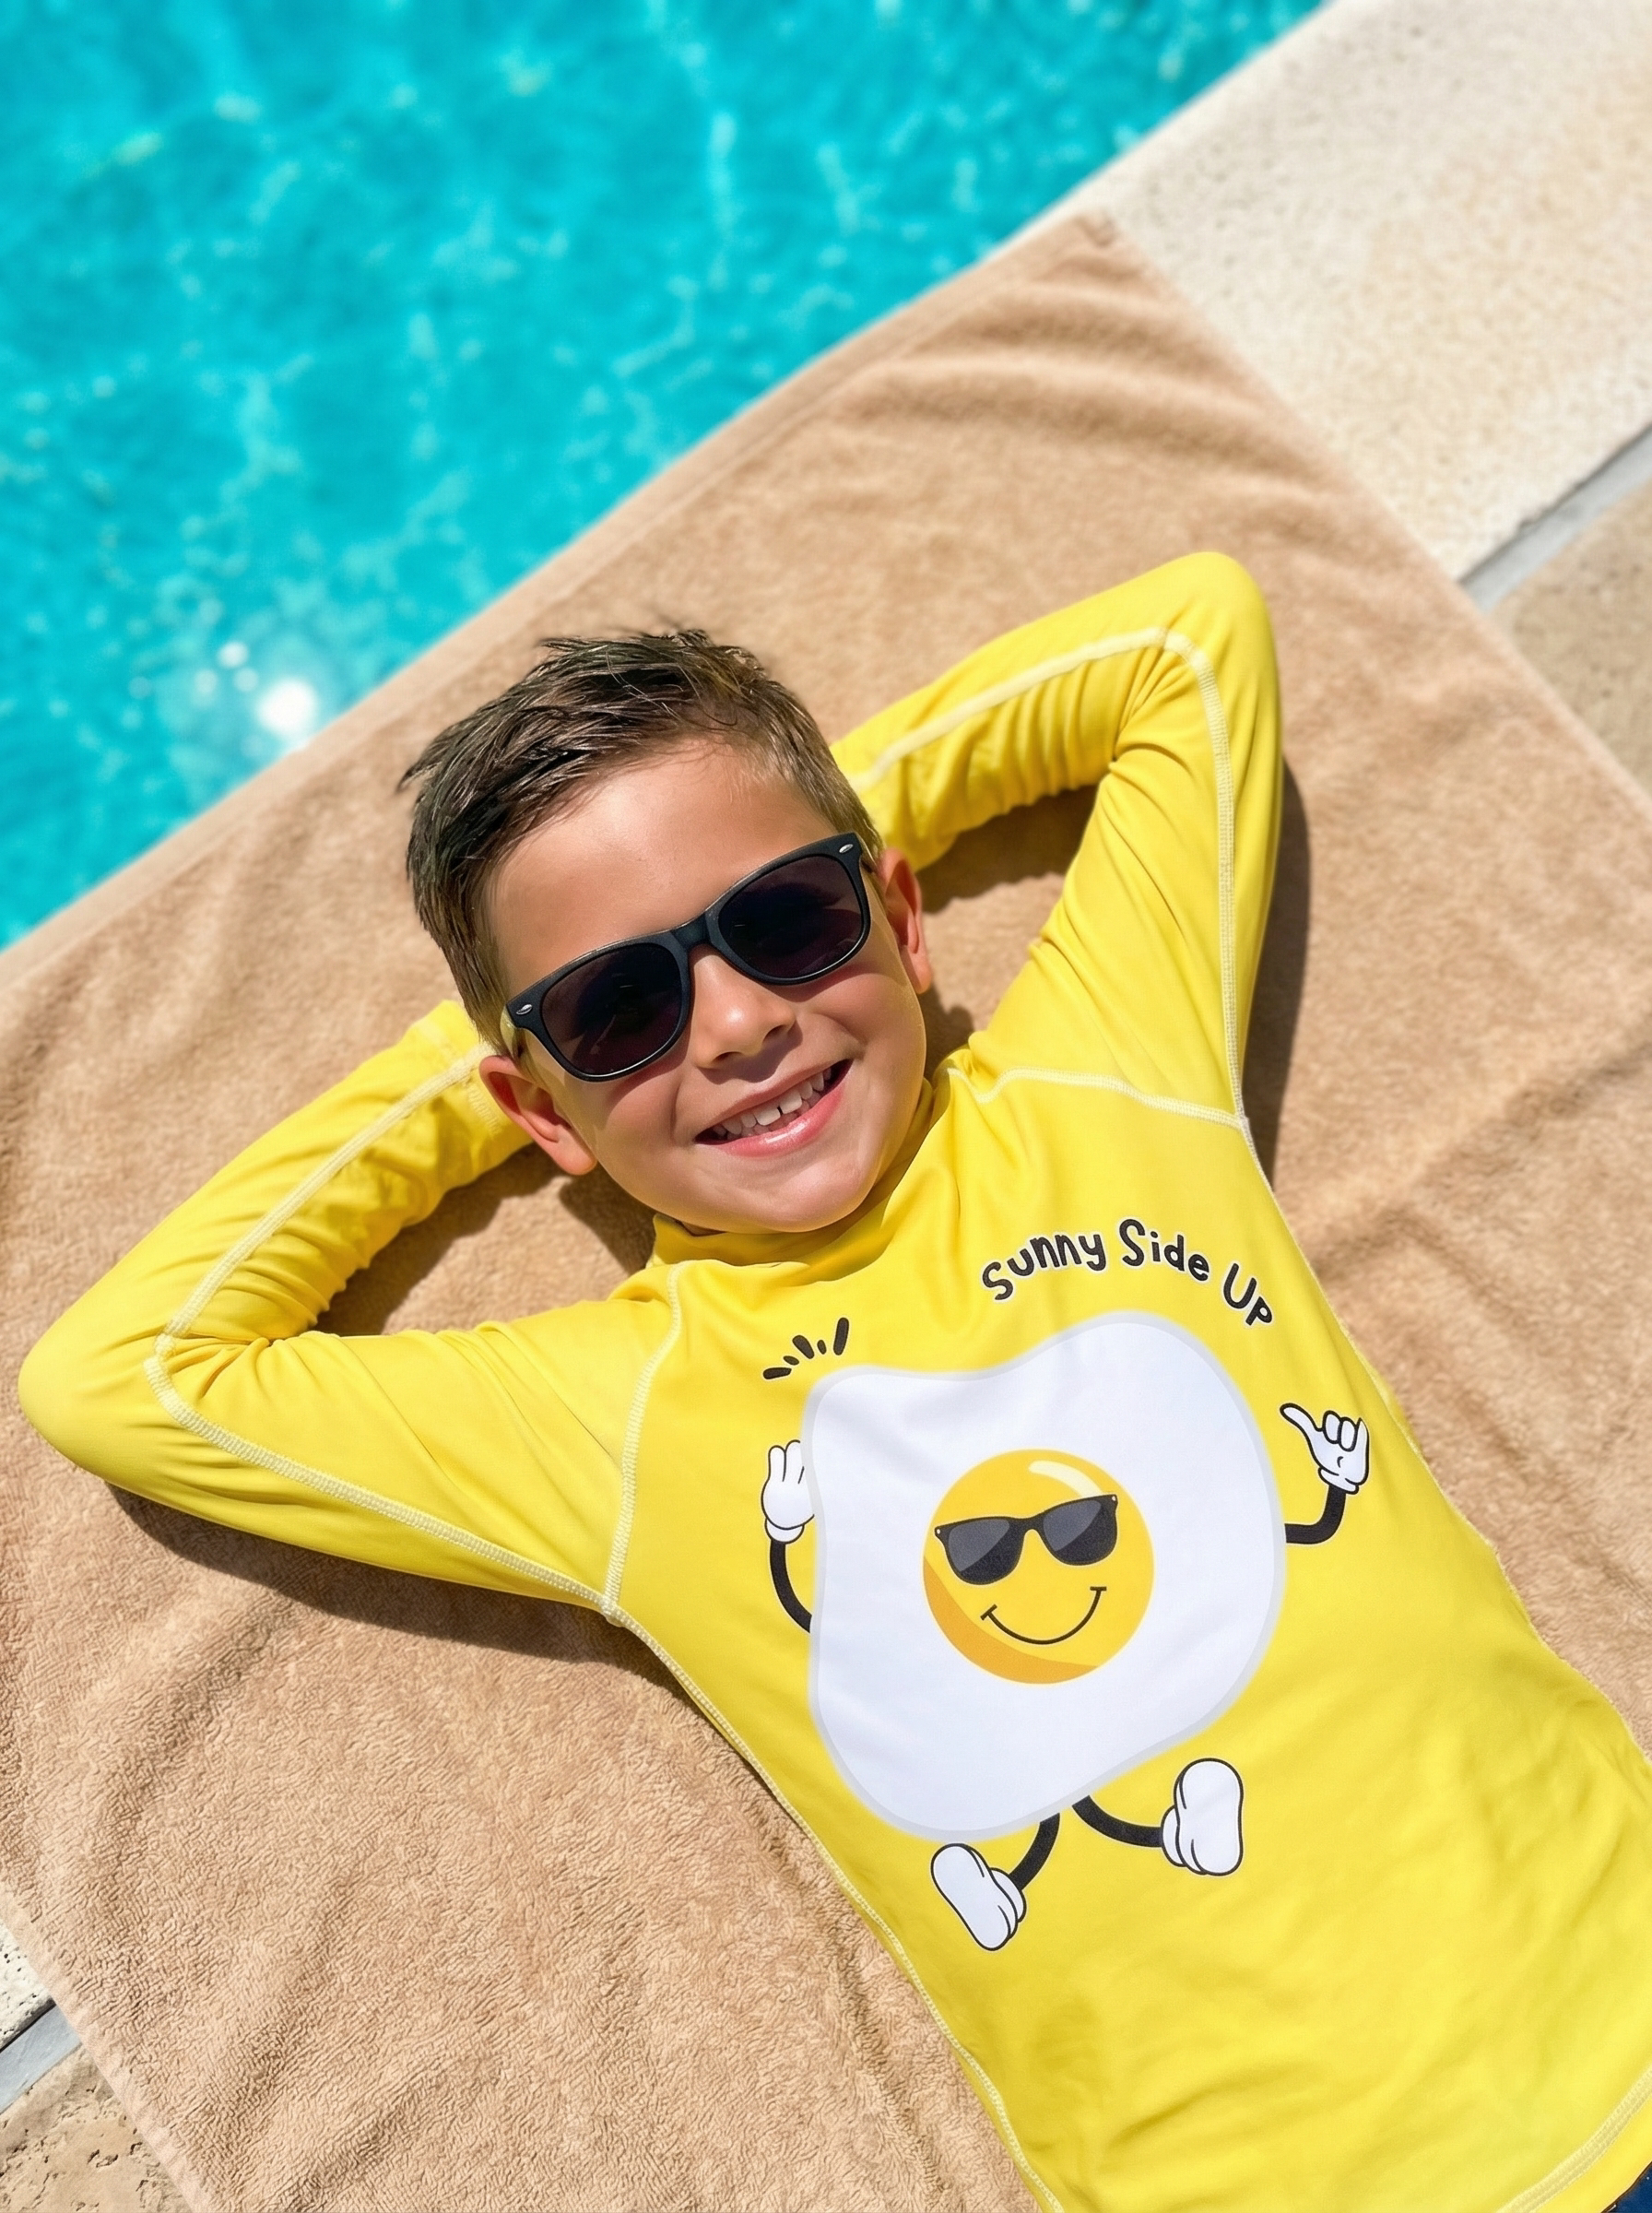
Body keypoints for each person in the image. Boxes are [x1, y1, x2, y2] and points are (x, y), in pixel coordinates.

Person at [21, 553, 1652, 2213]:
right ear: (534, 1112)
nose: (734, 1025)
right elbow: (124, 1375)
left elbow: (1184, 641)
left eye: (787, 924)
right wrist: (510, 1079)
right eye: (624, 1004)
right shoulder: (612, 1415)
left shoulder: (1105, 1083)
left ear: (903, 915)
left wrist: (660, 981)